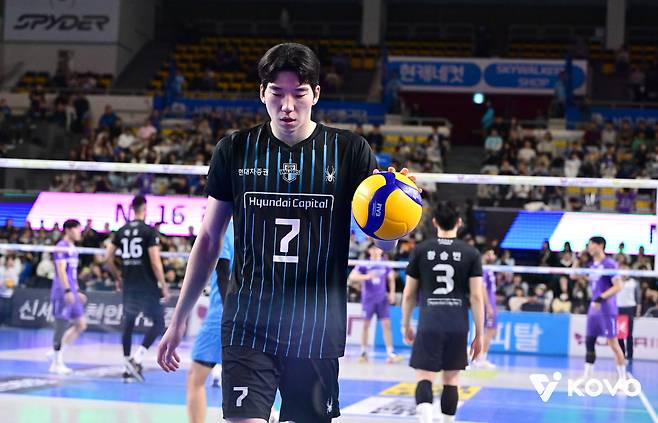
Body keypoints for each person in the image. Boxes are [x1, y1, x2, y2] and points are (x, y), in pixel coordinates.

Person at [157, 43, 411, 423]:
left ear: (317, 94)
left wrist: (394, 214)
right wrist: (179, 318)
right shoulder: (235, 149)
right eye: (277, 93)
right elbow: (208, 240)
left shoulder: (350, 151)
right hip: (248, 322)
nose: (288, 106)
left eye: (299, 94)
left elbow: (383, 244)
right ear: (262, 92)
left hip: (316, 327)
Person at [401, 202, 484, 423]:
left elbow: (409, 294)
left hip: (430, 322)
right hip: (458, 324)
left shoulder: (420, 250)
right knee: (451, 379)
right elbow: (477, 297)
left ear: (434, 222)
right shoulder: (471, 253)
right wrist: (480, 334)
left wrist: (406, 324)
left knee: (424, 376)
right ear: (459, 222)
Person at [106, 195, 169, 383]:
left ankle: (127, 366)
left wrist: (118, 278)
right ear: (145, 208)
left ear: (132, 209)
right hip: (147, 285)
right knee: (159, 323)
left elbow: (107, 258)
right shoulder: (149, 231)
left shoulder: (121, 231)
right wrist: (163, 285)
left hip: (129, 285)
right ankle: (137, 359)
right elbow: (155, 262)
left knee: (129, 325)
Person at [187, 220, 234, 423]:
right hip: (251, 313)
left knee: (195, 378)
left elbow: (222, 274)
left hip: (222, 315)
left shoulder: (226, 228)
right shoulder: (256, 226)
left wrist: (229, 314)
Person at [347, 243, 401, 364]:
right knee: (365, 325)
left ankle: (390, 352)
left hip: (382, 299)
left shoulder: (385, 263)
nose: (376, 251)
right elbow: (352, 277)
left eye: (378, 249)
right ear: (369, 251)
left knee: (386, 325)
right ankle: (363, 352)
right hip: (368, 299)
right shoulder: (364, 263)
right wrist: (367, 276)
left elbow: (391, 278)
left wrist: (392, 293)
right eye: (374, 249)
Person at [582, 236, 626, 382]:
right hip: (593, 310)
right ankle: (587, 377)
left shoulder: (610, 264)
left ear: (600, 245)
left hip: (607, 309)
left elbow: (618, 286)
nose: (589, 247)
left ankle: (622, 379)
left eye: (592, 245)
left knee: (613, 344)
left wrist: (600, 298)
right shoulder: (592, 265)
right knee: (589, 341)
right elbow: (581, 277)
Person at [48, 219, 87, 374]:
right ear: (69, 230)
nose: (80, 233)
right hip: (62, 291)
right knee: (61, 326)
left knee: (81, 324)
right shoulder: (61, 247)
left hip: (72, 290)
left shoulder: (73, 248)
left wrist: (76, 291)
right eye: (78, 230)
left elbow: (72, 274)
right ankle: (56, 363)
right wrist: (67, 291)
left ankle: (56, 353)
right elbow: (61, 271)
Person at [472, 247, 496, 369]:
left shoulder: (490, 268)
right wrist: (488, 305)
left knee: (492, 331)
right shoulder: (482, 269)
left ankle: (481, 357)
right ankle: (479, 358)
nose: (493, 256)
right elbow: (482, 288)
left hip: (492, 302)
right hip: (487, 304)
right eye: (490, 254)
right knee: (489, 330)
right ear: (484, 255)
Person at [616, 264, 641, 363]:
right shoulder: (617, 282)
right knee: (619, 334)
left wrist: (638, 311)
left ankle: (630, 355)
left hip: (629, 309)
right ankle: (621, 354)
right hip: (619, 309)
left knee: (629, 334)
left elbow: (638, 298)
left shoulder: (634, 283)